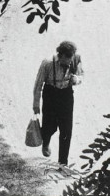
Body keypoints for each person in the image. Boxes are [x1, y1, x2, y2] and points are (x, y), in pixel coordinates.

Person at [32, 40, 83, 169]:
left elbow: (81, 75)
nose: (71, 61)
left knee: (66, 130)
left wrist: (76, 80)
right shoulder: (48, 63)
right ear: (61, 56)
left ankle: (63, 163)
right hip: (51, 94)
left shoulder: (75, 59)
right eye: (68, 58)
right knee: (50, 126)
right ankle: (46, 141)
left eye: (72, 57)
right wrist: (36, 104)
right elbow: (38, 84)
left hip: (66, 94)